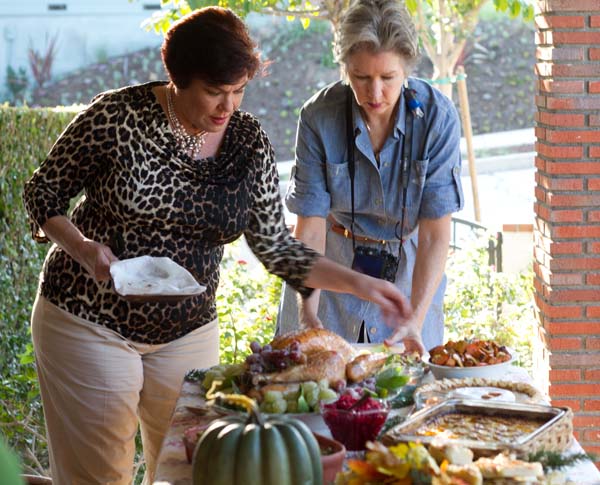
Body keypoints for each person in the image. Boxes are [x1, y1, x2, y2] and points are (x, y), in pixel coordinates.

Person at [22, 7, 414, 484]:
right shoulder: (118, 115)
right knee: (100, 477)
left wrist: (363, 286)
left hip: (188, 328)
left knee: (192, 471)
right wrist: (83, 247)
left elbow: (278, 250)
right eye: (213, 92)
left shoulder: (248, 142)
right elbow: (42, 191)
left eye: (238, 91)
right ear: (178, 79)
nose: (227, 107)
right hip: (91, 321)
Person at [277, 0, 464, 353]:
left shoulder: (437, 118)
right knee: (309, 382)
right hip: (330, 269)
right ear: (345, 67)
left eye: (388, 78)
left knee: (404, 389)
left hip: (408, 279)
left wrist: (415, 321)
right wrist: (307, 312)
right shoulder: (319, 116)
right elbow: (311, 228)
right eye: (361, 77)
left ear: (407, 69)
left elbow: (435, 235)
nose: (374, 93)